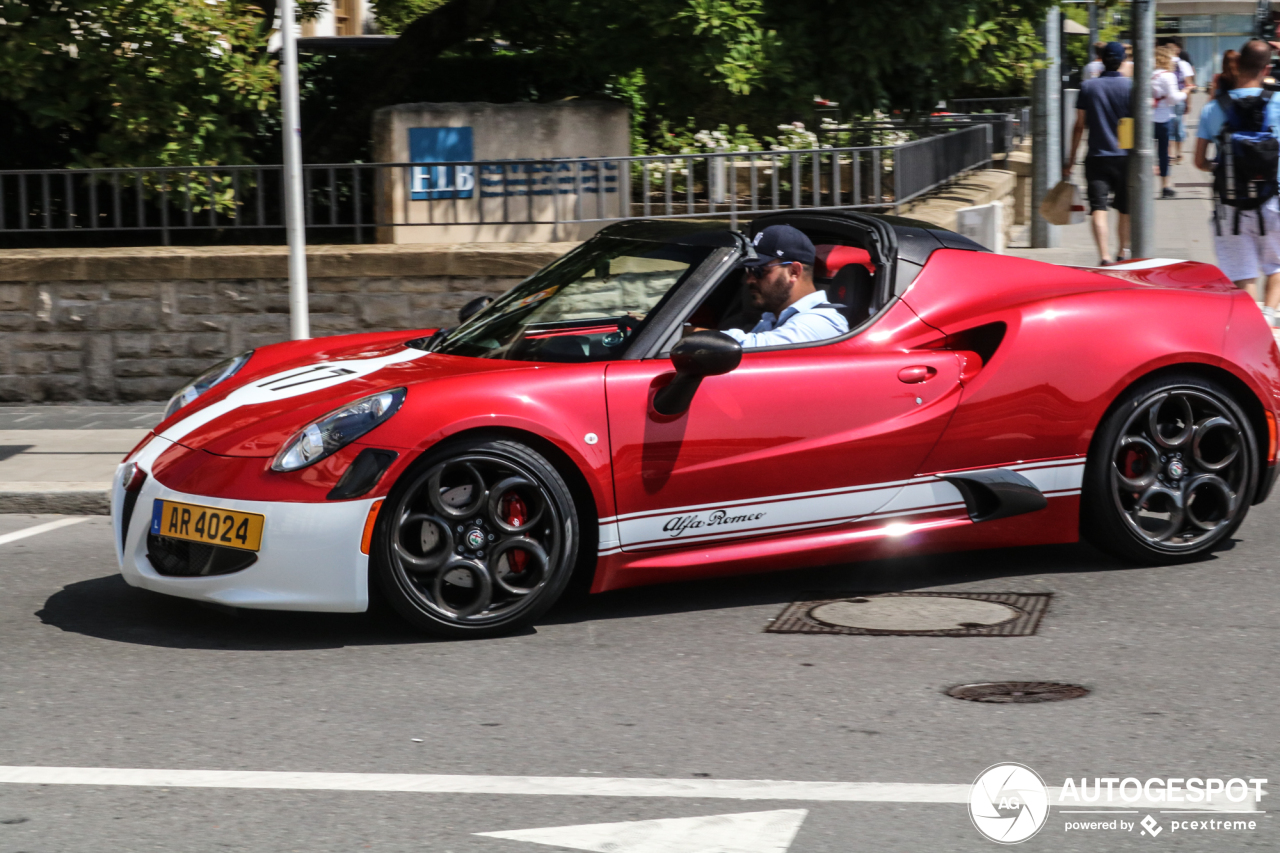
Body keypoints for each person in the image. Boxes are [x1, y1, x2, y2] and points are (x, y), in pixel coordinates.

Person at [1195, 38, 1280, 323]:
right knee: (1277, 265)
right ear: (1266, 68)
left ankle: (1255, 322)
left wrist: (1219, 167)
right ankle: (1269, 315)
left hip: (1230, 205)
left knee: (1243, 274)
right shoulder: (1278, 101)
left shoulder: (1213, 108)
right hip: (1274, 198)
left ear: (1238, 65)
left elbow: (1198, 160)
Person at [718, 225, 848, 347]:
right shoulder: (773, 318)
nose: (749, 280)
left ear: (794, 272)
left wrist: (700, 337)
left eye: (759, 270)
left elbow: (750, 349)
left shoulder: (819, 323)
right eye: (749, 270)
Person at [1065, 42, 1132, 265]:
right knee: (1125, 209)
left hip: (1096, 156)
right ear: (1123, 61)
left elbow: (1079, 125)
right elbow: (1136, 123)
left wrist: (1071, 158)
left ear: (1101, 60)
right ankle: (1122, 252)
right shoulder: (1131, 87)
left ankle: (1104, 256)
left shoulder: (1088, 87)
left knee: (1098, 208)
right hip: (1124, 157)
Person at [1152, 46, 1186, 198]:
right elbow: (1173, 98)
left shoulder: (1147, 74)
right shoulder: (1168, 76)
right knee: (1163, 153)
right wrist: (1186, 92)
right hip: (1163, 118)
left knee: (1144, 153)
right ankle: (1165, 186)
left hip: (1146, 119)